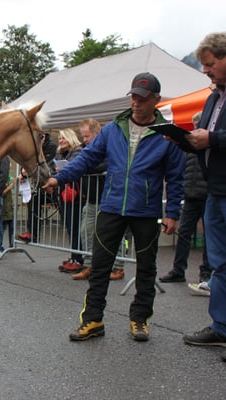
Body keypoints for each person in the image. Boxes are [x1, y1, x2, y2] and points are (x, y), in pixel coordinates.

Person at [43, 72, 185, 342]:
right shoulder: (112, 129)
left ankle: (139, 320)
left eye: (142, 98)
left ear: (155, 99)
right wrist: (59, 178)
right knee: (99, 267)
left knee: (146, 268)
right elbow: (86, 158)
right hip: (111, 207)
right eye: (133, 97)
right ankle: (93, 320)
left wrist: (172, 213)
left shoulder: (167, 134)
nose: (136, 102)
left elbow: (176, 177)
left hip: (146, 211)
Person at [182, 32, 226, 362]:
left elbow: (214, 137)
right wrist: (183, 140)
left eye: (210, 64)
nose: (205, 71)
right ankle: (221, 327)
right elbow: (206, 136)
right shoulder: (212, 98)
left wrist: (211, 138)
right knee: (219, 263)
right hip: (215, 191)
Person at [160, 111, 212, 287]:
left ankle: (205, 272)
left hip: (206, 195)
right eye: (194, 125)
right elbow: (182, 171)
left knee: (208, 237)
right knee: (183, 234)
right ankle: (178, 270)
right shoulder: (189, 148)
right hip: (190, 195)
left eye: (197, 124)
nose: (195, 128)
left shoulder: (208, 145)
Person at [72, 119, 126, 281]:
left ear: (97, 133)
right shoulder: (87, 151)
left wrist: (84, 168)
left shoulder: (109, 148)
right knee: (86, 232)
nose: (85, 140)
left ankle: (118, 267)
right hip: (91, 199)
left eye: (87, 136)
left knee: (114, 234)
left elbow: (103, 165)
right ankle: (89, 265)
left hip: (108, 200)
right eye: (83, 136)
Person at [54, 129, 84, 273]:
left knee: (76, 227)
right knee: (70, 227)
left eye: (63, 138)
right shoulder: (60, 154)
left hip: (76, 195)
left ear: (71, 138)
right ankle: (75, 255)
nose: (61, 140)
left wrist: (62, 170)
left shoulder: (78, 152)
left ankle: (78, 258)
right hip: (64, 194)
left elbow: (74, 168)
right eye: (59, 138)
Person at [2, 174, 15, 249]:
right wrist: (11, 186)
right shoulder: (1, 178)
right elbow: (2, 193)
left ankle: (12, 244)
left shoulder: (9, 176)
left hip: (9, 206)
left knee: (12, 228)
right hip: (3, 207)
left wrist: (13, 184)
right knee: (2, 227)